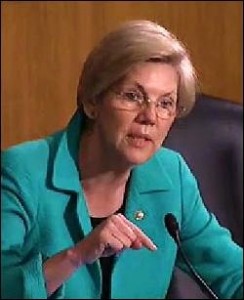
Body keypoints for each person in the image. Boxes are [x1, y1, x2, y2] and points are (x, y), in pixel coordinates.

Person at [1, 19, 243, 299]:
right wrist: (76, 256)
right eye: (132, 96)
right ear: (92, 101)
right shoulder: (22, 171)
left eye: (165, 103)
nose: (150, 117)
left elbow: (231, 273)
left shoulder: (171, 175)